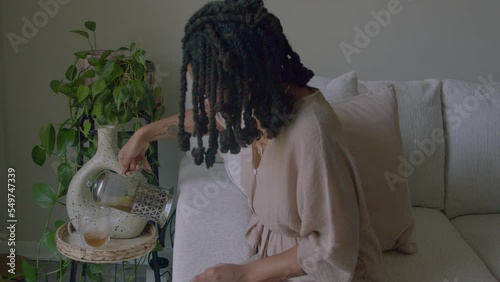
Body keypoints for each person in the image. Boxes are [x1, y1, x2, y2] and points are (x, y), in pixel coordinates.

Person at [118, 0, 386, 281]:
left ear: (245, 77)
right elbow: (211, 117)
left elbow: (331, 247)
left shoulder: (312, 135)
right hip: (279, 256)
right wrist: (144, 134)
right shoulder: (253, 105)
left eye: (210, 91)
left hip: (323, 270)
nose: (204, 100)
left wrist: (243, 273)